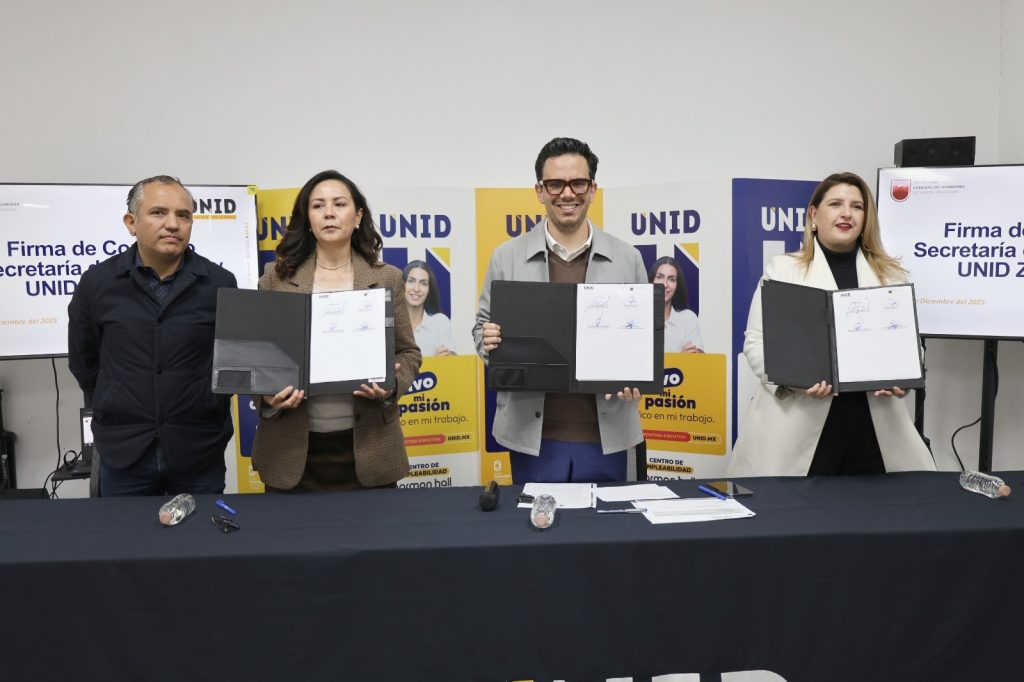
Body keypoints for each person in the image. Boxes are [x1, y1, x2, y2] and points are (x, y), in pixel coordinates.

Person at [729, 172, 935, 477]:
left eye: (857, 206)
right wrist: (792, 380)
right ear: (814, 215)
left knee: (882, 503)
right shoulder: (783, 270)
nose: (846, 213)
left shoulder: (891, 276)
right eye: (836, 204)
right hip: (798, 424)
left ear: (866, 218)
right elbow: (756, 342)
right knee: (792, 505)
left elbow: (911, 347)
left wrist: (903, 379)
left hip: (871, 430)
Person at [474, 137, 647, 484]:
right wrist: (489, 342)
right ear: (540, 191)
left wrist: (638, 376)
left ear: (592, 189)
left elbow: (644, 339)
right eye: (555, 184)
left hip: (607, 435)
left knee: (605, 520)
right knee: (537, 519)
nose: (567, 194)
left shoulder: (627, 258)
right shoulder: (506, 257)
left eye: (578, 183)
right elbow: (481, 329)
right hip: (533, 436)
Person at [251, 170, 421, 491]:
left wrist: (391, 386)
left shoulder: (388, 278)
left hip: (370, 447)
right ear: (307, 218)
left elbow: (408, 352)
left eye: (339, 204)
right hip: (290, 451)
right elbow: (257, 357)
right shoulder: (275, 278)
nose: (328, 213)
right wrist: (267, 395)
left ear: (357, 216)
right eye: (318, 205)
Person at [67, 175, 237, 496]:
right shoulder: (97, 283)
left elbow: (230, 361)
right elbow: (84, 361)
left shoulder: (219, 283)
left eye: (183, 215)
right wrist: (117, 396)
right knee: (126, 531)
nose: (173, 224)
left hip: (197, 447)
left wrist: (206, 400)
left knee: (201, 530)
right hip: (124, 450)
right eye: (158, 212)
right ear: (131, 223)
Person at [648, 256, 704, 353]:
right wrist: (680, 358)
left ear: (678, 285)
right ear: (651, 281)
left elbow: (697, 357)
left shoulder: (688, 318)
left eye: (671, 279)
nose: (665, 285)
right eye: (659, 277)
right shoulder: (638, 318)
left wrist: (691, 356)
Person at [403, 259, 456, 356]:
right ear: (403, 285)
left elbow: (451, 361)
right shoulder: (390, 323)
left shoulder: (440, 322)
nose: (416, 289)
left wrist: (445, 358)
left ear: (429, 289)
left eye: (423, 283)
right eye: (411, 281)